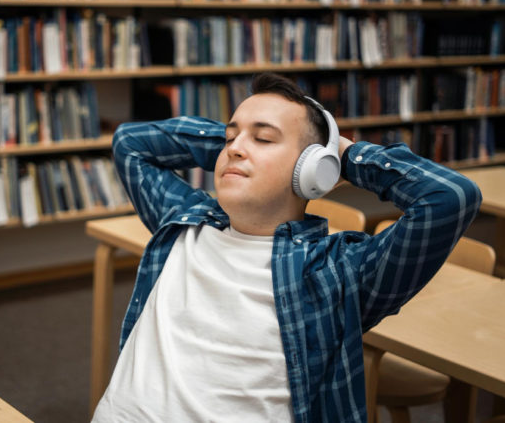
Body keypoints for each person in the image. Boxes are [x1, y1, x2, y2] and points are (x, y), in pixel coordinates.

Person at [92, 72, 482, 422]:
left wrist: (342, 157)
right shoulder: (186, 220)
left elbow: (451, 197)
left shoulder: (335, 271)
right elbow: (131, 143)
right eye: (230, 138)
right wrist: (239, 144)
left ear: (311, 170)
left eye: (263, 138)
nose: (234, 148)